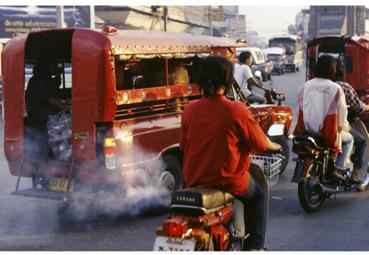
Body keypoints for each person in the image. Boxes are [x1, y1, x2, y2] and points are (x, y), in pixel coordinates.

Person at [179, 56, 281, 250]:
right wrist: (276, 146)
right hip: (228, 180)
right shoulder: (237, 110)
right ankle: (255, 247)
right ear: (227, 80)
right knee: (257, 197)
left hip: (194, 180)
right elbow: (260, 142)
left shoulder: (189, 110)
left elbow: (183, 146)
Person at [294, 55, 349, 181]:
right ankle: (335, 168)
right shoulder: (335, 88)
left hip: (306, 130)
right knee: (348, 139)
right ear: (332, 70)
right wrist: (342, 127)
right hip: (326, 132)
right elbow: (343, 110)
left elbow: (299, 109)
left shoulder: (305, 86)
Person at [334, 61, 369, 183]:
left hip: (312, 127)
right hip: (334, 127)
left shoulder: (311, 87)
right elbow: (358, 107)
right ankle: (354, 173)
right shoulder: (342, 87)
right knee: (359, 140)